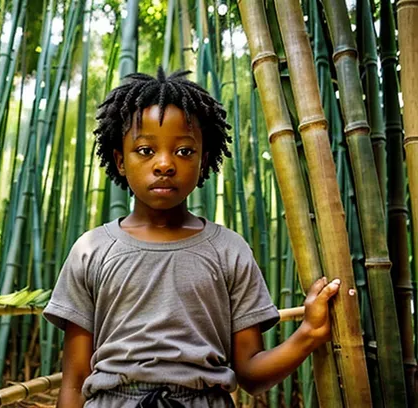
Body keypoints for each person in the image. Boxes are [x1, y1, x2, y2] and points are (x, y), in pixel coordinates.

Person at [42, 68, 341, 408]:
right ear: (119, 160)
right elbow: (76, 379)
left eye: (184, 151)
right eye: (145, 150)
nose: (165, 164)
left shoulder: (228, 250)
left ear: (204, 162)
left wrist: (309, 334)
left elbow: (252, 375)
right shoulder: (91, 250)